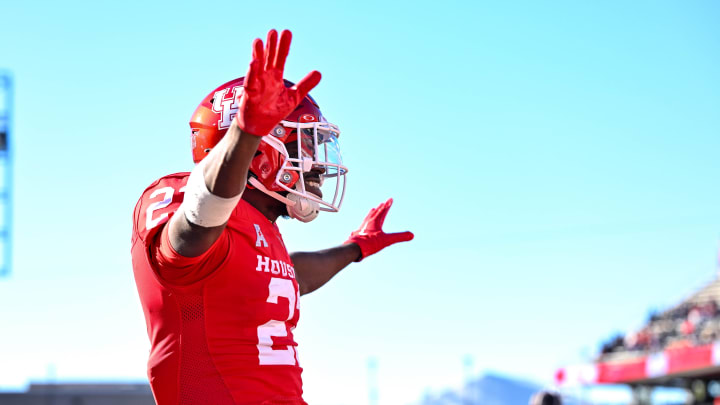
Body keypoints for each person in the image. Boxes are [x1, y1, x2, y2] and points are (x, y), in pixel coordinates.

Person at [130, 29, 413, 405]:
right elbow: (190, 233)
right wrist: (246, 133)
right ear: (261, 152)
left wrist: (354, 249)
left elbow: (286, 276)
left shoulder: (259, 229)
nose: (316, 165)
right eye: (306, 145)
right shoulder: (188, 206)